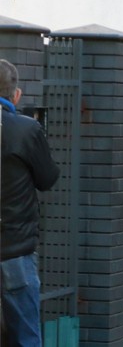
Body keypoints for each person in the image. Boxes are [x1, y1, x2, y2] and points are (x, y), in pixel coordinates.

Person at [0, 59, 60, 347]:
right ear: (17, 94)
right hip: (15, 247)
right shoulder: (26, 129)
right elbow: (47, 178)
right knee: (25, 334)